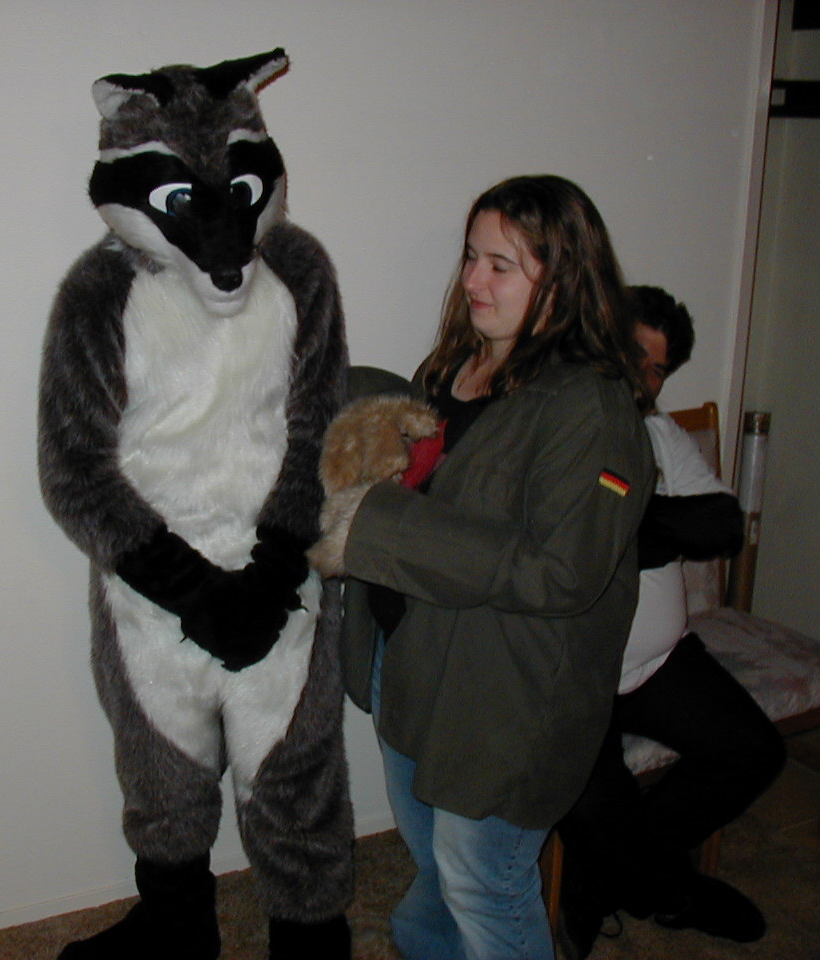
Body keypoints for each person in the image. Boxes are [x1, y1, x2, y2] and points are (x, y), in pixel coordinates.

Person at [311, 175, 654, 960]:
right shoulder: (453, 368)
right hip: (413, 663)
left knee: (483, 882)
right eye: (470, 256)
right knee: (436, 866)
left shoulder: (590, 408)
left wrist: (376, 523)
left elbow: (561, 572)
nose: (472, 280)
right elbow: (432, 484)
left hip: (503, 696)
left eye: (501, 265)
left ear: (562, 280)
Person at [554, 285, 786, 958]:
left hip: (661, 661)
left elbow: (722, 526)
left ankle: (600, 878)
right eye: (635, 354)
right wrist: (655, 527)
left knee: (754, 752)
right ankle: (675, 893)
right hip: (577, 674)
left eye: (657, 370)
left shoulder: (657, 433)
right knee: (591, 803)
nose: (643, 378)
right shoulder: (558, 423)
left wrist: (629, 524)